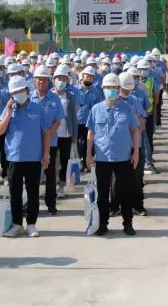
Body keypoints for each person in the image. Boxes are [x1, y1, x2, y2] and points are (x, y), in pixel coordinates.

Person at [85, 73, 142, 236]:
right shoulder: (96, 109)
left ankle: (128, 223)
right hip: (102, 158)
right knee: (102, 194)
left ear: (118, 89)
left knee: (125, 192)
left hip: (123, 158)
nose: (111, 90)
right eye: (108, 87)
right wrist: (88, 154)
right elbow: (91, 133)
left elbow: (135, 130)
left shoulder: (127, 108)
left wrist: (136, 151)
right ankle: (103, 224)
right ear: (103, 89)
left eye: (114, 87)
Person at [0, 76, 49, 238]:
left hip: (34, 158)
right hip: (14, 158)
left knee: (33, 193)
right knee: (15, 193)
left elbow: (46, 132)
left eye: (20, 90)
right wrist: (8, 113)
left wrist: (46, 154)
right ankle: (17, 224)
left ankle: (31, 224)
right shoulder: (9, 109)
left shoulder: (37, 108)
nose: (18, 94)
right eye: (14, 92)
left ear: (26, 90)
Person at [30, 66, 65, 215]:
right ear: (34, 81)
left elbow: (58, 120)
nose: (41, 82)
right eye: (39, 79)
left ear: (48, 81)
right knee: (32, 174)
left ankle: (51, 204)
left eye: (44, 80)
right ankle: (31, 203)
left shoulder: (54, 98)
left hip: (51, 142)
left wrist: (49, 133)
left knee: (50, 174)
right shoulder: (29, 97)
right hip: (32, 143)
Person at [52, 65, 80, 196]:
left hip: (66, 134)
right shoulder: (50, 95)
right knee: (52, 162)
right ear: (54, 80)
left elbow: (74, 117)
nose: (61, 81)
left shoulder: (70, 97)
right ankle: (51, 185)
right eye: (59, 78)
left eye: (63, 79)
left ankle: (61, 186)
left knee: (64, 161)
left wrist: (74, 135)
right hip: (51, 135)